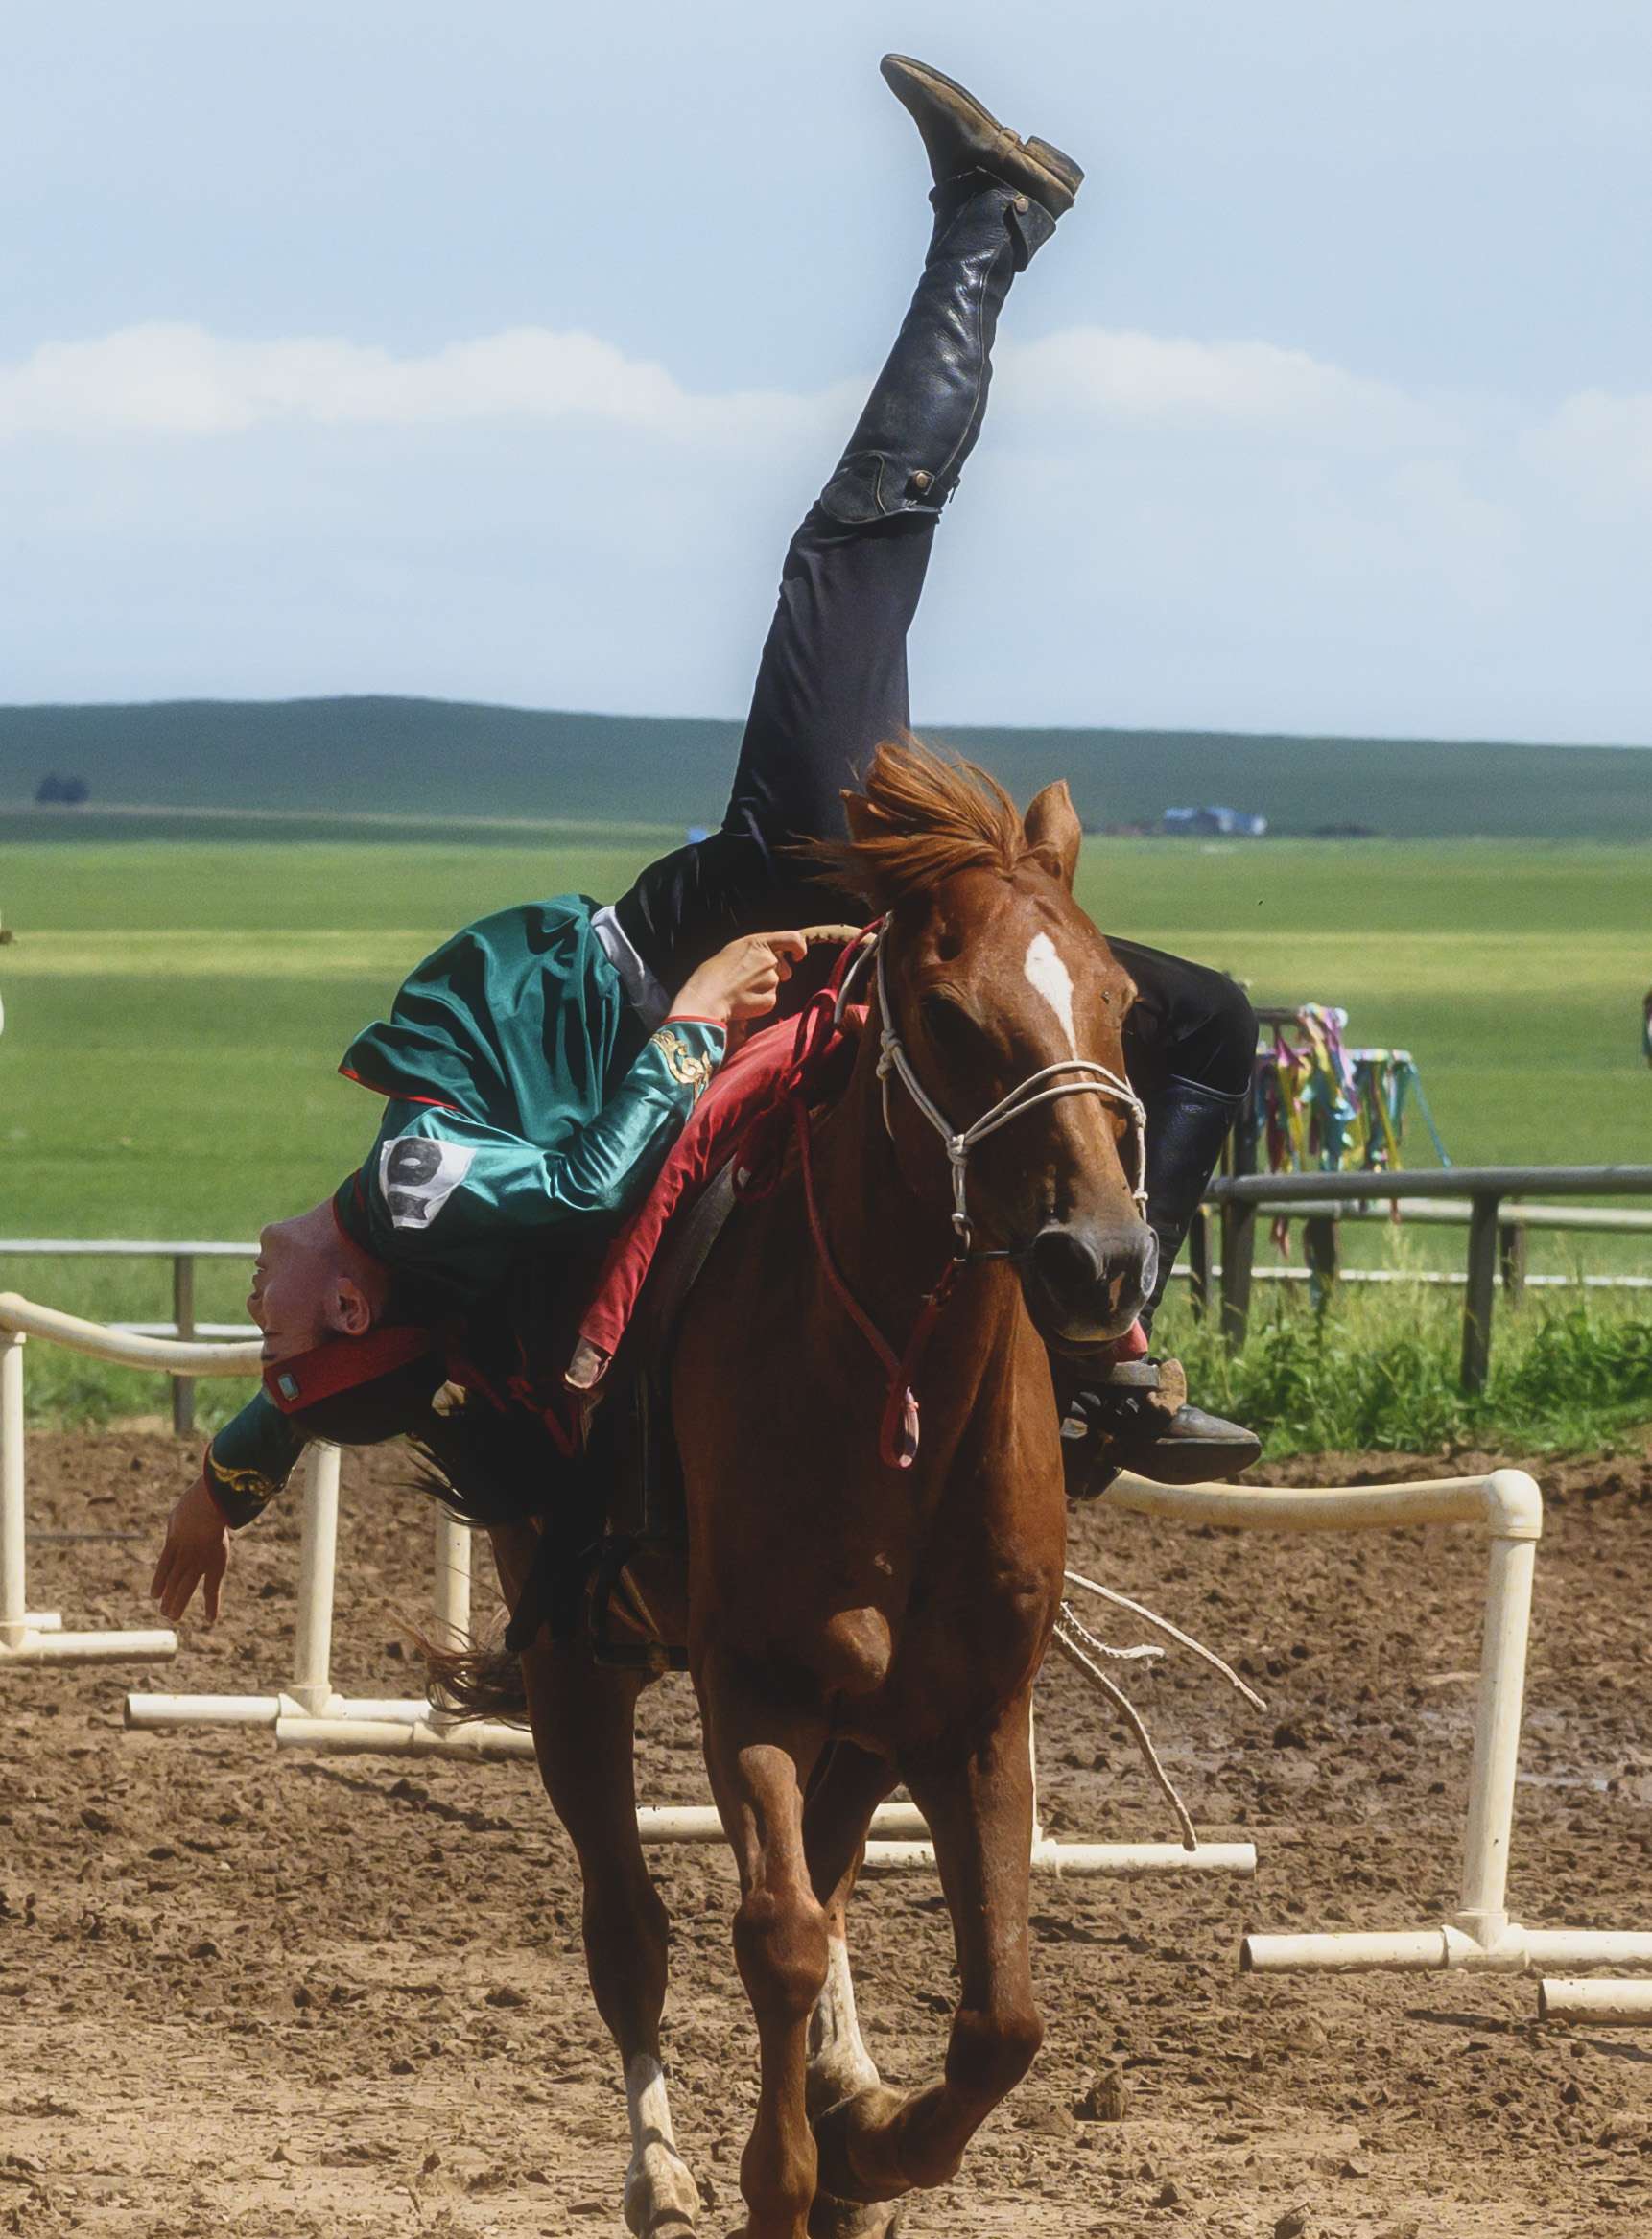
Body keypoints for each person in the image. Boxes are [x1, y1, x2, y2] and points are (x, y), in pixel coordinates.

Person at [151, 52, 1258, 1626]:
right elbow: (581, 1167)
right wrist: (679, 1020)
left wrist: (224, 1477)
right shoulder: (403, 1198)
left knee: (1205, 1025)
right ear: (343, 1292)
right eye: (276, 1327)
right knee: (850, 544)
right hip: (728, 922)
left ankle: (1110, 1343)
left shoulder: (424, 1281)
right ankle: (991, 218)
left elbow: (323, 1381)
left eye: (260, 1340)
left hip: (725, 949)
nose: (254, 1315)